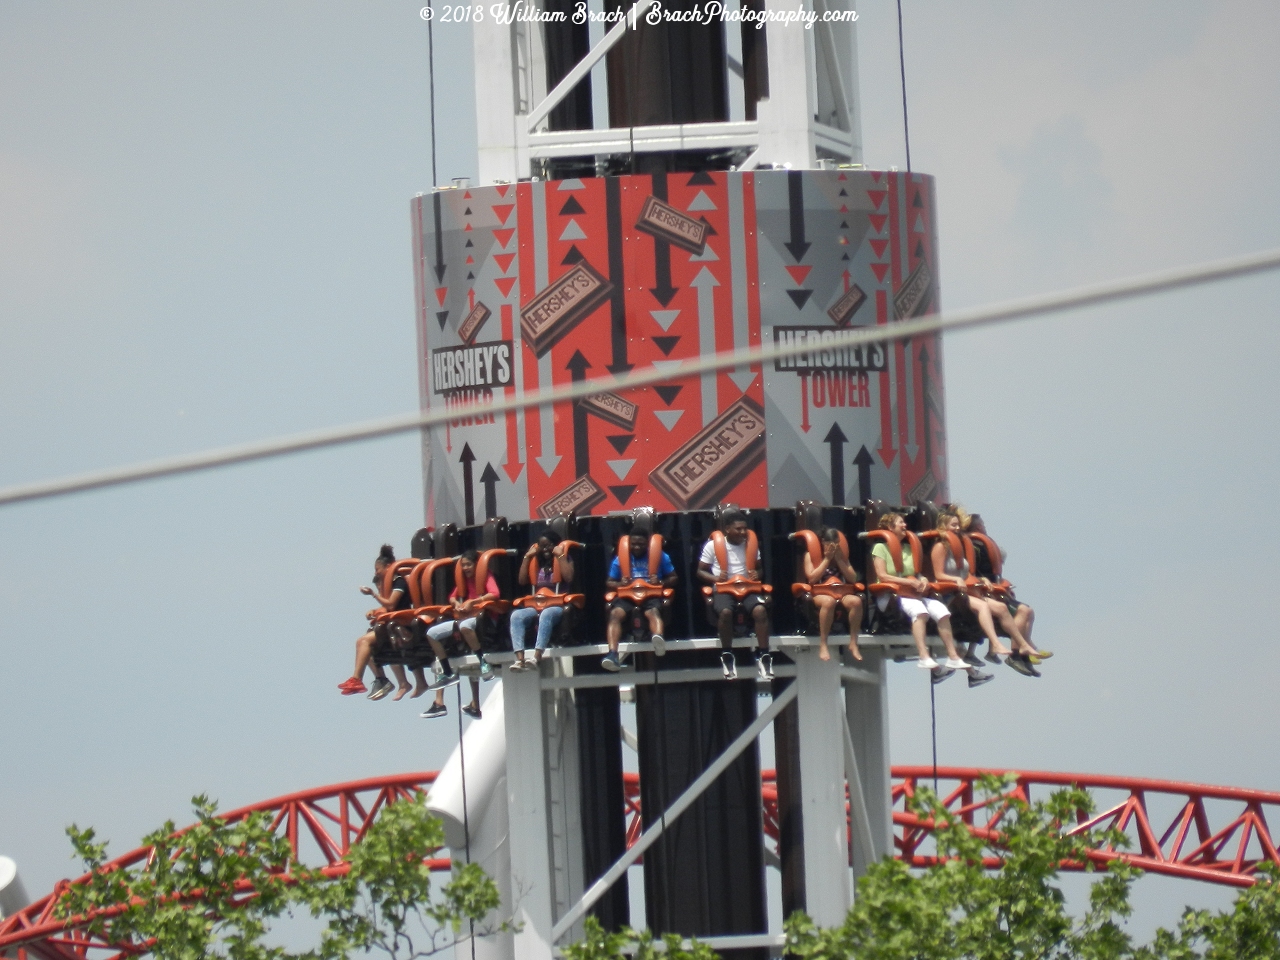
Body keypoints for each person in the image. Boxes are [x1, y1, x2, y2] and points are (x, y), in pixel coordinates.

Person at [930, 512, 1039, 681]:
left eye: (958, 525)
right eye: (953, 525)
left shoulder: (959, 546)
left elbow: (967, 573)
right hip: (950, 594)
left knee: (1003, 607)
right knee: (985, 606)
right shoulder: (940, 547)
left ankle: (1022, 646)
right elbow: (938, 574)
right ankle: (996, 645)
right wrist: (956, 579)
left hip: (968, 590)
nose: (957, 528)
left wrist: (980, 580)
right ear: (944, 526)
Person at [869, 513, 969, 679]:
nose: (904, 525)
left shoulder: (908, 548)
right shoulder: (880, 548)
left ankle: (953, 656)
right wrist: (909, 583)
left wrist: (922, 580)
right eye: (900, 523)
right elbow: (883, 575)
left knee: (941, 610)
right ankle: (923, 656)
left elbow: (916, 573)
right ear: (890, 527)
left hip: (912, 593)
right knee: (920, 611)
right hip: (890, 595)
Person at [338, 544, 424, 701]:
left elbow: (391, 604)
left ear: (388, 567)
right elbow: (388, 607)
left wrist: (373, 594)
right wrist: (376, 611)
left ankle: (357, 679)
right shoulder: (389, 586)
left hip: (402, 625)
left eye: (378, 569)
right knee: (364, 643)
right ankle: (378, 680)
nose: (376, 573)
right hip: (392, 623)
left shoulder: (399, 582)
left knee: (363, 641)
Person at [965, 511, 1048, 671]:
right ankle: (1017, 654)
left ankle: (1025, 653)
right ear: (976, 526)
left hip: (995, 589)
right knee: (1021, 612)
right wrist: (982, 582)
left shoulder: (984, 543)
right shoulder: (972, 546)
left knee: (1027, 611)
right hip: (982, 591)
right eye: (981, 524)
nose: (984, 526)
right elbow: (970, 572)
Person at [697, 509, 773, 681]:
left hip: (747, 587)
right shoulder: (713, 546)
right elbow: (700, 571)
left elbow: (759, 568)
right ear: (727, 530)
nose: (742, 532)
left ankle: (764, 655)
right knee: (725, 612)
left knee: (760, 611)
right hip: (724, 587)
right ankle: (727, 654)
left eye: (744, 529)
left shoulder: (750, 544)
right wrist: (716, 578)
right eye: (738, 529)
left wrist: (757, 574)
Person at [423, 549, 498, 719]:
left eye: (468, 565)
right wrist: (457, 603)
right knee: (432, 633)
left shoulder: (485, 576)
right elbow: (452, 597)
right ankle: (447, 672)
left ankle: (483, 662)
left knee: (465, 627)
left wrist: (475, 602)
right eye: (463, 565)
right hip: (463, 619)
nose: (465, 568)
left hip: (482, 618)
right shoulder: (463, 581)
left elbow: (494, 594)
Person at [603, 530, 677, 672]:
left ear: (647, 544)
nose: (637, 547)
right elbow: (609, 582)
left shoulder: (660, 556)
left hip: (650, 593)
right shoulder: (621, 558)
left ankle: (658, 637)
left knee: (653, 612)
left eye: (641, 544)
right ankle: (613, 653)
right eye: (634, 544)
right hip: (628, 594)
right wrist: (620, 584)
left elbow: (674, 578)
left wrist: (661, 581)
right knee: (615, 615)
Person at [509, 532, 574, 671]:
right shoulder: (536, 562)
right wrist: (527, 557)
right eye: (542, 546)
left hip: (556, 605)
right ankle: (520, 659)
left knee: (546, 614)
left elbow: (568, 577)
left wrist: (560, 556)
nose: (545, 549)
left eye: (549, 546)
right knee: (516, 616)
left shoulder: (565, 557)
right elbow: (522, 581)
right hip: (537, 604)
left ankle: (537, 656)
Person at [803, 527, 865, 662]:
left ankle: (854, 642)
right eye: (830, 544)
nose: (834, 547)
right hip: (821, 591)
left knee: (856, 602)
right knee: (828, 602)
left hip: (840, 590)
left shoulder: (841, 555)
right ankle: (823, 643)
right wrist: (827, 559)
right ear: (823, 542)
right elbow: (812, 578)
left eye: (836, 544)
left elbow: (853, 578)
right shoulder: (811, 555)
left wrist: (839, 560)